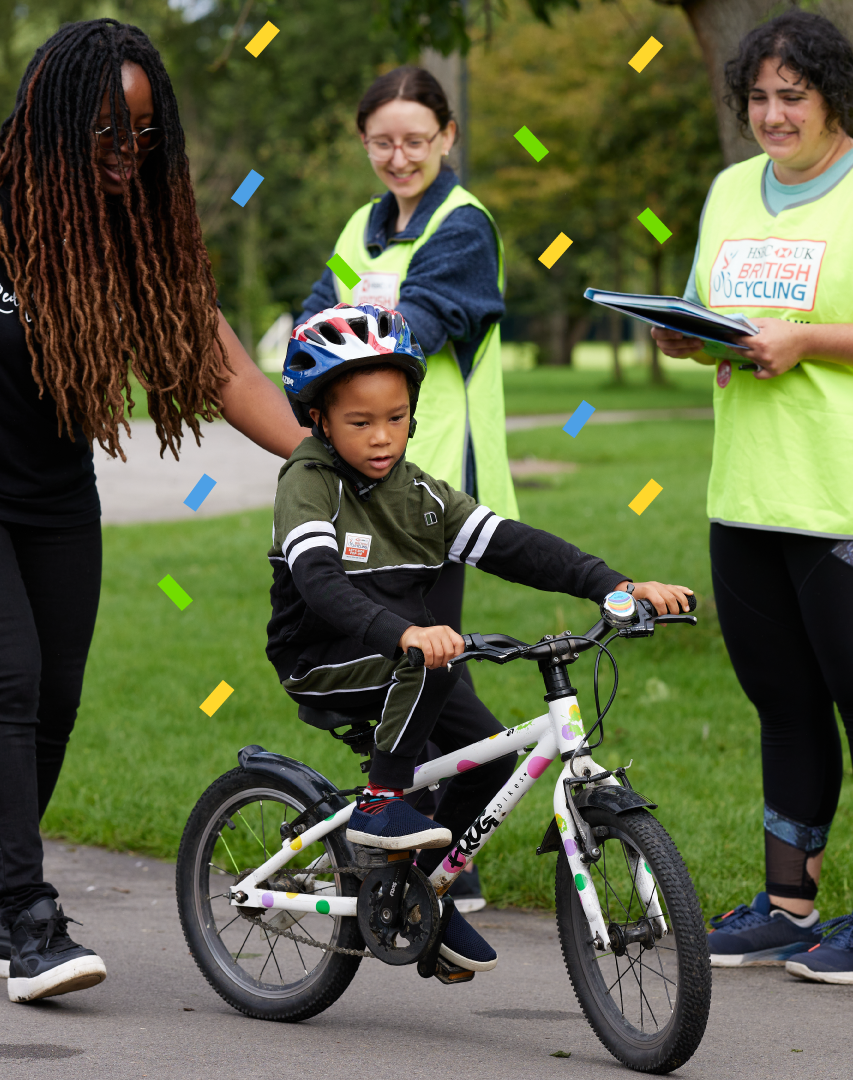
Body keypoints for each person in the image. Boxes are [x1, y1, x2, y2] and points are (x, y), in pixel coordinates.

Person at [0, 20, 306, 1002]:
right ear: (53, 119)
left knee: (55, 703)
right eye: (107, 131)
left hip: (58, 499)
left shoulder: (137, 231)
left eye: (143, 137)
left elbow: (220, 362)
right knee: (8, 680)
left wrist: (323, 459)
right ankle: (28, 922)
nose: (125, 155)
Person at [652, 10, 853, 985]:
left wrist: (810, 339)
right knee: (780, 699)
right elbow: (723, 318)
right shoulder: (729, 190)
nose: (774, 115)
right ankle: (790, 906)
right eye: (759, 97)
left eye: (794, 96)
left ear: (836, 97)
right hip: (752, 488)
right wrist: (684, 336)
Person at [268, 302, 694, 970]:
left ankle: (420, 900)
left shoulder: (422, 494)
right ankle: (379, 807)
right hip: (322, 656)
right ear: (318, 418)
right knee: (436, 658)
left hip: (402, 654)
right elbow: (321, 584)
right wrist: (406, 632)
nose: (382, 437)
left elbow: (513, 546)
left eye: (396, 418)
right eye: (359, 422)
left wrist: (617, 586)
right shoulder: (309, 482)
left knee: (490, 760)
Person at [301, 65, 516, 909]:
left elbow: (411, 332)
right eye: (382, 142)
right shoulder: (361, 226)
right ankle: (412, 842)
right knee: (408, 658)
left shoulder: (464, 228)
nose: (398, 157)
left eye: (415, 141)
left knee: (428, 657)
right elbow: (317, 318)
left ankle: (429, 854)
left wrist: (334, 363)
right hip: (360, 485)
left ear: (447, 138)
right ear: (364, 143)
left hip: (433, 482)